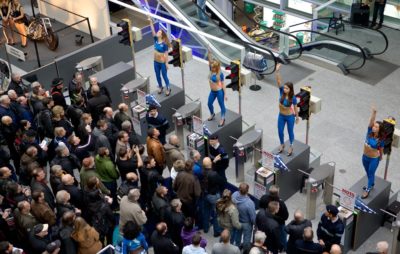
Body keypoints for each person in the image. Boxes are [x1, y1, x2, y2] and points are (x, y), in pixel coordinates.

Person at [275, 63, 299, 156]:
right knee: (280, 131)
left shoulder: (293, 97)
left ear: (290, 89)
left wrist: (297, 117)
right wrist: (277, 71)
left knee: (290, 132)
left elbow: (296, 108)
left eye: (286, 88)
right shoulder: (281, 91)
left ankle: (291, 145)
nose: (284, 89)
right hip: (281, 115)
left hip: (289, 117)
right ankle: (282, 144)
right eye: (284, 87)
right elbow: (278, 81)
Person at [361, 106, 384, 199]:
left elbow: (381, 149)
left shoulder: (381, 139)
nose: (374, 127)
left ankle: (368, 189)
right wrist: (374, 113)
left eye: (376, 127)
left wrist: (381, 157)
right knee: (367, 172)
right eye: (374, 126)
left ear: (379, 129)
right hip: (365, 156)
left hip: (373, 159)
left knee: (371, 173)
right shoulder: (369, 132)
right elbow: (370, 122)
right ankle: (372, 182)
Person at [148, 16, 171, 96]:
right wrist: (150, 22)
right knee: (157, 75)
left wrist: (167, 63)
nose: (157, 33)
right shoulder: (155, 40)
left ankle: (168, 88)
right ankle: (160, 87)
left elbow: (166, 54)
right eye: (158, 32)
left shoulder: (164, 44)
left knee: (164, 76)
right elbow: (153, 31)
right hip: (156, 62)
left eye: (159, 32)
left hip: (162, 63)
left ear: (161, 35)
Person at [202, 157, 224, 237]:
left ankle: (205, 228)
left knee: (206, 211)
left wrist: (213, 162)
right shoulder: (214, 174)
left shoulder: (201, 171)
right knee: (216, 213)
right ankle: (217, 231)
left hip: (205, 194)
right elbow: (221, 181)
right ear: (210, 163)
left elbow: (209, 171)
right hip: (213, 196)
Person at [232, 183, 256, 249]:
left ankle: (237, 247)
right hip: (247, 224)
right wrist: (255, 224)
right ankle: (245, 250)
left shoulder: (234, 195)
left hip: (237, 221)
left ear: (239, 189)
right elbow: (253, 217)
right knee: (246, 239)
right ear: (247, 191)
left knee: (238, 236)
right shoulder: (249, 203)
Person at [207, 48, 227, 127]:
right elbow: (210, 60)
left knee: (221, 105)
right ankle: (212, 114)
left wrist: (225, 94)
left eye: (213, 67)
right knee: (209, 103)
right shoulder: (211, 70)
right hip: (212, 91)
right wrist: (209, 53)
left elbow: (223, 84)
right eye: (211, 67)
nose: (212, 68)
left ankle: (222, 118)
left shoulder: (220, 74)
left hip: (219, 91)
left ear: (217, 67)